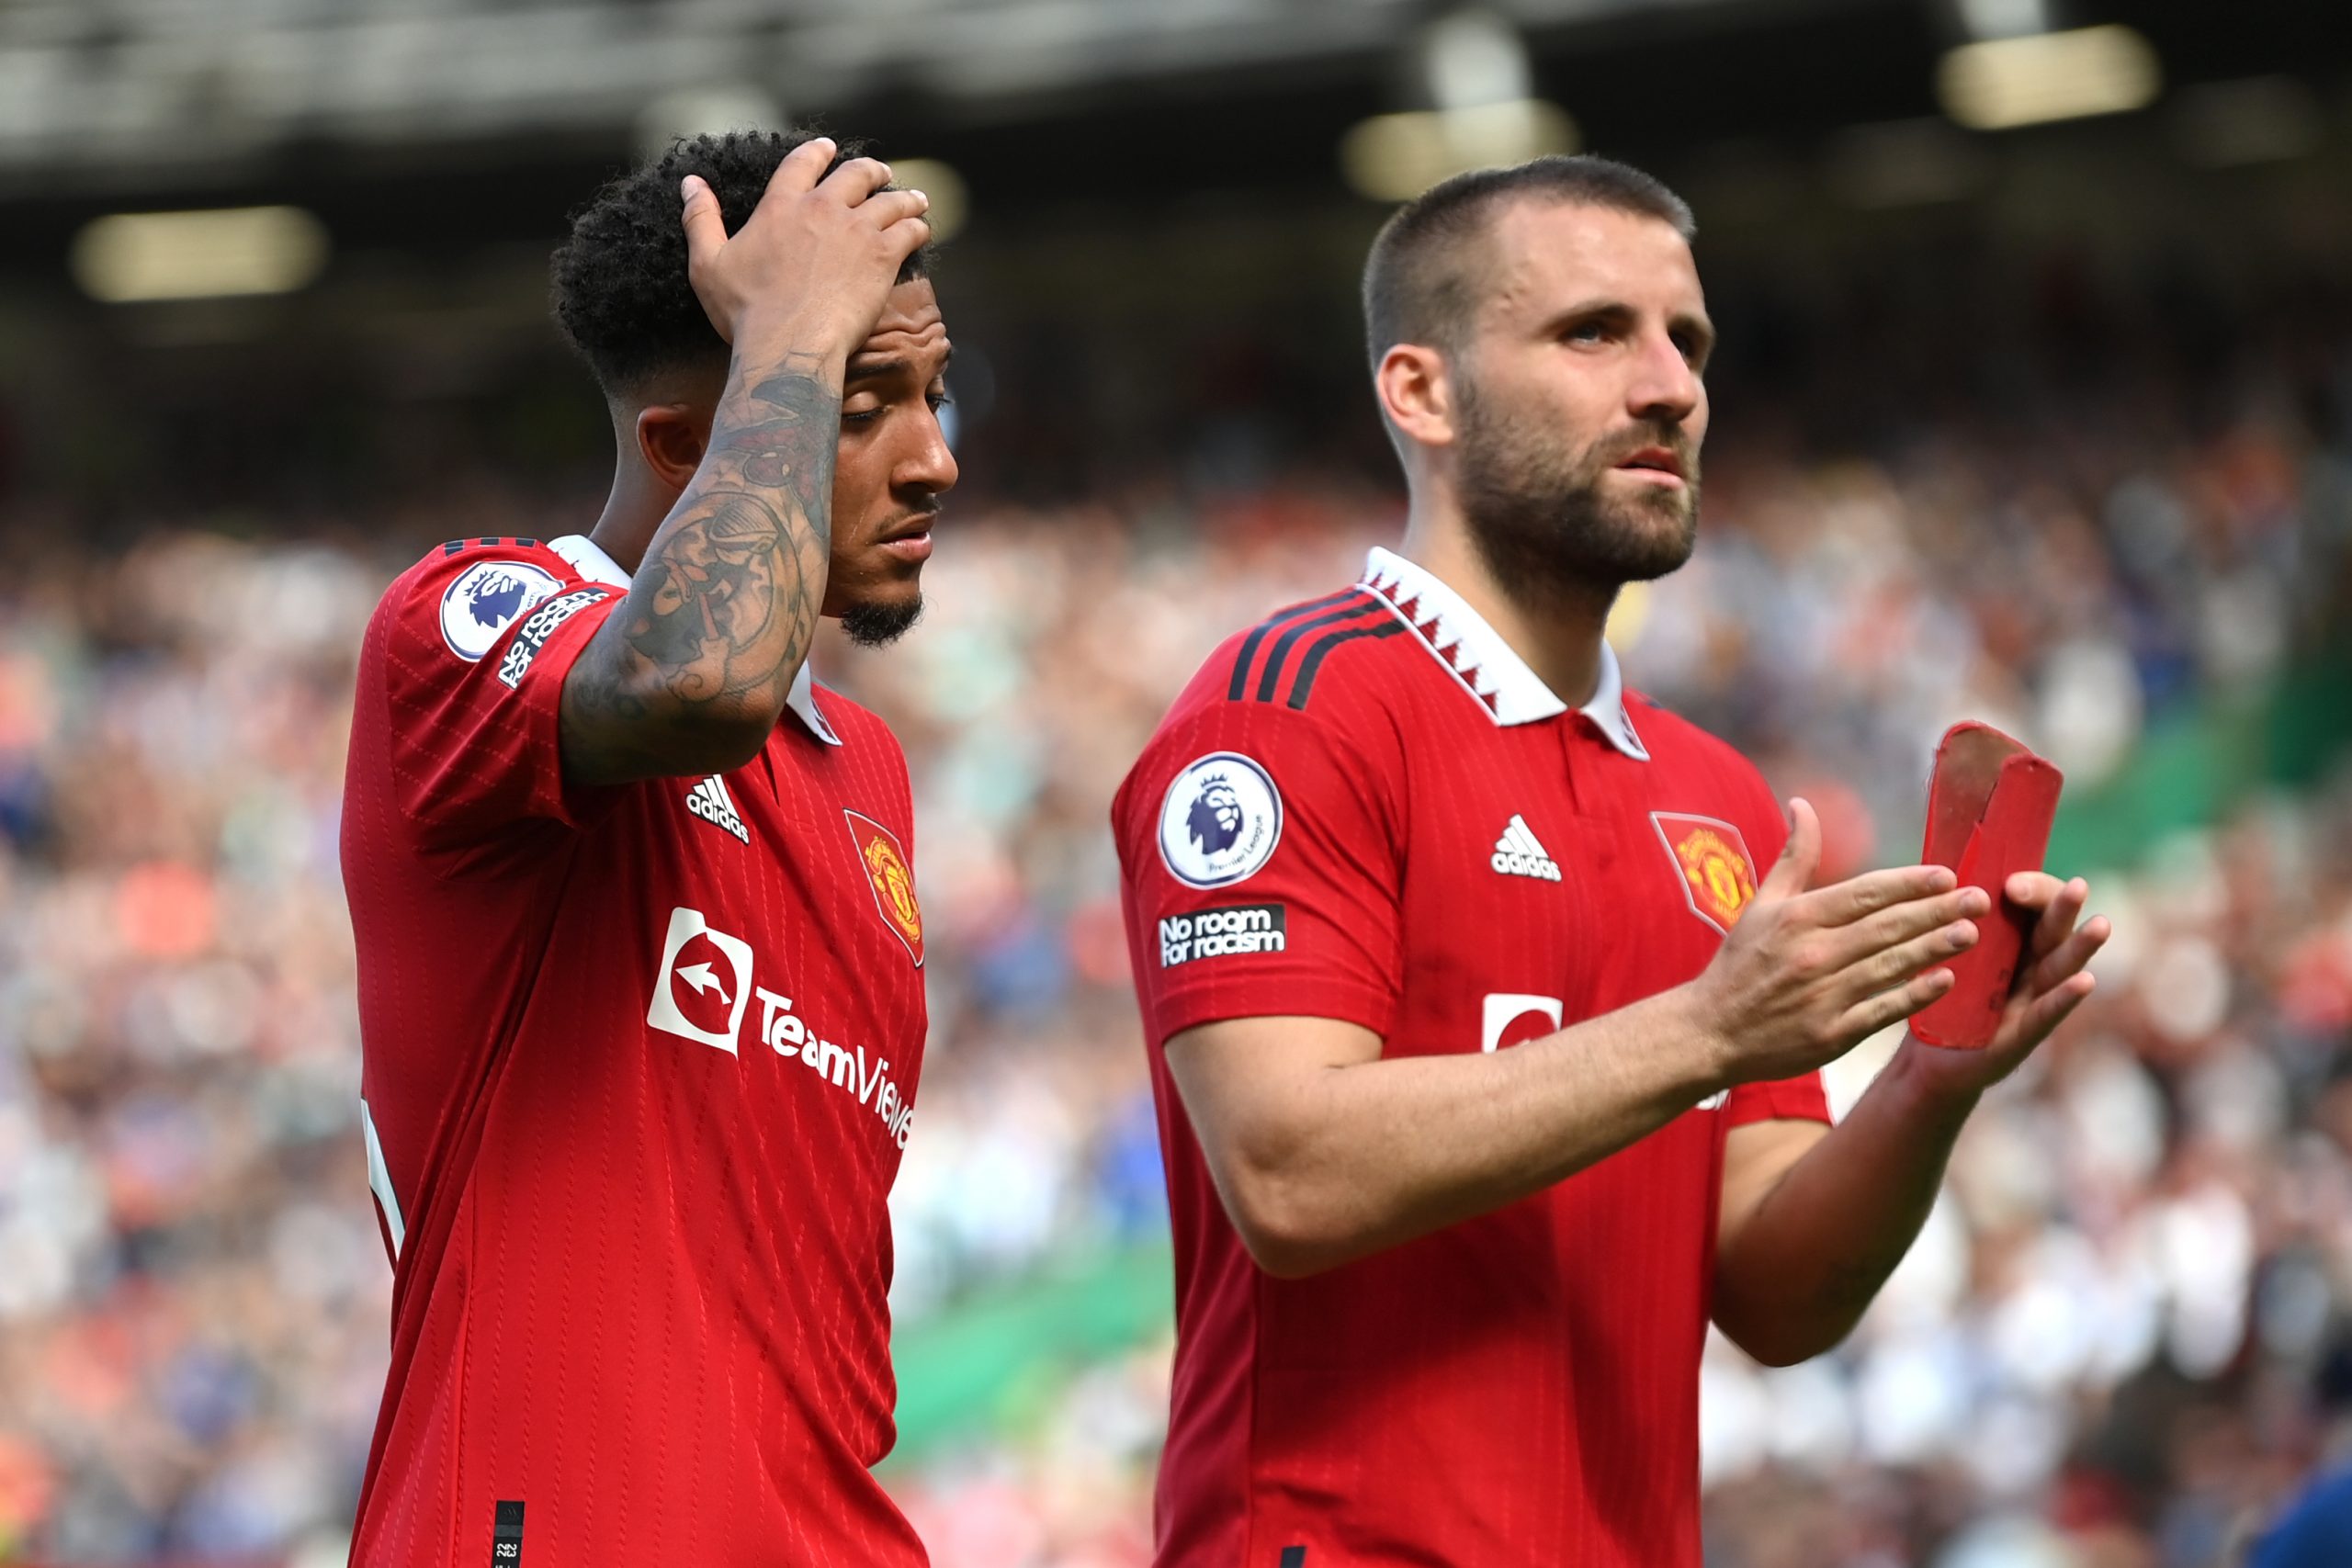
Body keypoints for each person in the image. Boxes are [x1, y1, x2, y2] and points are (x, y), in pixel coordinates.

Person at [1110, 154, 2111, 1566]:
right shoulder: (1284, 709)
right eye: (1594, 332)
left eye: (1687, 341)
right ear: (1423, 393)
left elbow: (1774, 1297)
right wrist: (1708, 1029)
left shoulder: (1718, 797)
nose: (1671, 387)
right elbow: (1289, 1174)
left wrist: (1930, 1087)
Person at [340, 130, 951, 1566]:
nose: (939, 458)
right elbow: (693, 681)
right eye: (869, 403)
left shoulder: (867, 773)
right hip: (555, 1524)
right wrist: (791, 343)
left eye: (935, 393)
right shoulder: (465, 624)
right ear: (690, 442)